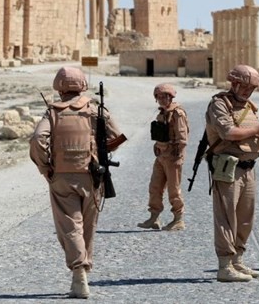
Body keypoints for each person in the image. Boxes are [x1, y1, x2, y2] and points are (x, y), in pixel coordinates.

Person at [29, 66, 126, 298]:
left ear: (59, 87)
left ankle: (78, 272)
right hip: (92, 176)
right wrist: (100, 150)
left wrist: (46, 167)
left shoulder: (52, 112)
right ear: (82, 85)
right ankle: (84, 267)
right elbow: (117, 138)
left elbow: (37, 139)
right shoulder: (95, 110)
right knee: (88, 226)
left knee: (71, 225)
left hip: (61, 177)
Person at [205, 64, 259, 282]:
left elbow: (249, 133)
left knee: (246, 218)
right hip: (228, 169)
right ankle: (225, 265)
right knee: (226, 218)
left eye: (251, 88)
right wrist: (258, 130)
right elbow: (228, 132)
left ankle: (238, 260)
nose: (247, 91)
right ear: (234, 83)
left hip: (248, 168)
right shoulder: (219, 104)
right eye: (244, 86)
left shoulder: (249, 106)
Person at [138, 83, 190, 231]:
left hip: (173, 157)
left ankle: (178, 219)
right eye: (158, 97)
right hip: (161, 156)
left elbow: (182, 138)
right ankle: (154, 217)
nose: (161, 99)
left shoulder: (177, 113)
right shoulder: (162, 112)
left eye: (163, 96)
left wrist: (178, 155)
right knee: (155, 187)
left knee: (174, 190)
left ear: (170, 97)